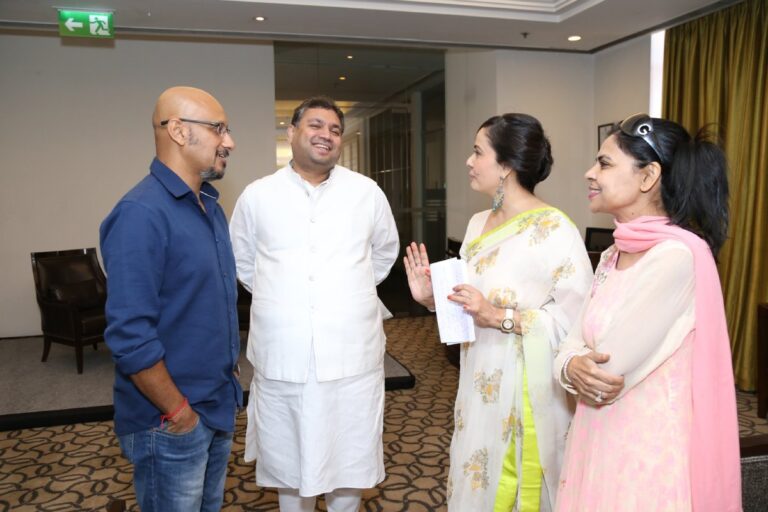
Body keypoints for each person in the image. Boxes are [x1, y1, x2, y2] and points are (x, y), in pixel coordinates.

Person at [553, 114, 741, 511]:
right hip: (598, 437)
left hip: (643, 454)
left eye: (604, 163)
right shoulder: (611, 254)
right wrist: (570, 364)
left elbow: (607, 368)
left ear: (647, 177)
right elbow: (571, 346)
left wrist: (571, 361)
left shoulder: (674, 257)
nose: (590, 173)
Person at [405, 113, 592, 511]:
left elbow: (581, 325)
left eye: (478, 152)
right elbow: (470, 307)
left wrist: (501, 317)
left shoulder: (555, 229)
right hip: (477, 379)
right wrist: (432, 301)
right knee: (478, 474)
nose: (469, 162)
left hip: (524, 387)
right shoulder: (476, 224)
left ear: (506, 164)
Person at [229, 96, 399, 512]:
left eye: (336, 129)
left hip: (351, 353)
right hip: (285, 353)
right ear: (292, 133)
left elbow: (383, 254)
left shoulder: (366, 193)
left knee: (350, 457)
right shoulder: (258, 195)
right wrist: (290, 296)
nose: (327, 135)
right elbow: (243, 262)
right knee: (289, 461)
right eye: (316, 126)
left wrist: (340, 293)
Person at [100, 86, 242, 512]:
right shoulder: (140, 213)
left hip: (214, 406)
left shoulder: (210, 208)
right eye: (219, 129)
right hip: (172, 420)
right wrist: (179, 413)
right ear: (178, 131)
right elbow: (129, 336)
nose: (229, 142)